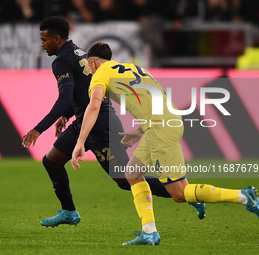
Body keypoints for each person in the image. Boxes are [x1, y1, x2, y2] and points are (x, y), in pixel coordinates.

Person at [71, 41, 259, 245]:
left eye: (89, 67)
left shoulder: (100, 74)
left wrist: (80, 141)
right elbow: (158, 98)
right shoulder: (134, 69)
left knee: (178, 193)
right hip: (166, 122)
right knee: (132, 173)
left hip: (160, 128)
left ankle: (242, 196)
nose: (89, 71)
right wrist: (140, 130)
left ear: (94, 63)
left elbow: (94, 105)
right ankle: (149, 231)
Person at [21, 16, 173, 228]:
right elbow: (81, 92)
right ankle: (69, 212)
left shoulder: (62, 61)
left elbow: (65, 97)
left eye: (44, 39)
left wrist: (38, 129)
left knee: (125, 180)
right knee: (52, 161)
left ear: (56, 39)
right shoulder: (78, 51)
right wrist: (66, 114)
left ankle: (181, 191)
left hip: (101, 124)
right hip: (84, 120)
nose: (41, 44)